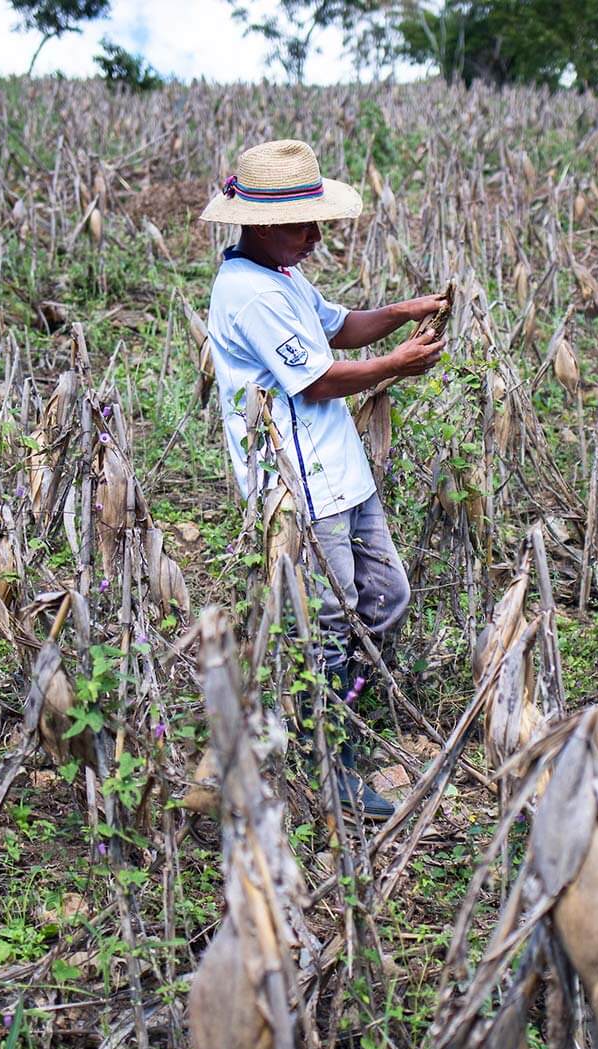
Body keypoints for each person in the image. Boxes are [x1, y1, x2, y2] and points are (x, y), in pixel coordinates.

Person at [200, 139, 446, 819]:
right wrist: (397, 364)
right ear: (256, 223)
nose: (313, 238)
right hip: (299, 483)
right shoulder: (247, 293)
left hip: (342, 473)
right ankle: (328, 763)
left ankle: (345, 724)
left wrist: (400, 311)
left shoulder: (280, 273)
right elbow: (316, 378)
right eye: (300, 226)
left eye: (316, 223)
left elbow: (336, 329)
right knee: (330, 619)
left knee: (386, 596)